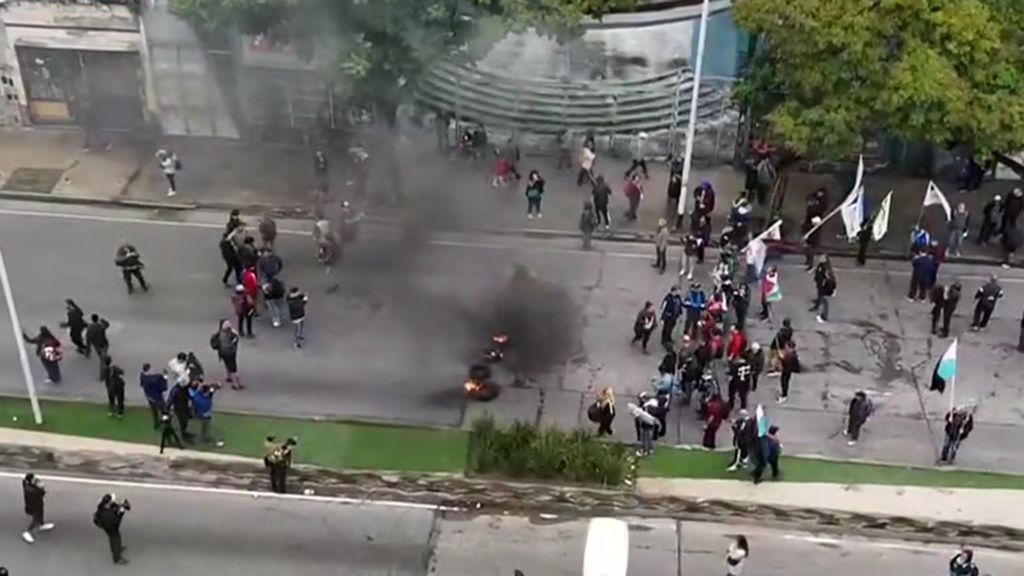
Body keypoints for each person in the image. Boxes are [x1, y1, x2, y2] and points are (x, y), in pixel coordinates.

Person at [93, 493, 130, 564]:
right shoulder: (108, 515)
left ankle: (117, 549)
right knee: (115, 539)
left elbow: (113, 506)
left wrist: (120, 506)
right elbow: (116, 521)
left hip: (104, 524)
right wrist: (121, 513)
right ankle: (117, 558)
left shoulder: (101, 506)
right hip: (110, 527)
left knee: (112, 537)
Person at [21, 473, 53, 544]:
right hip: (34, 505)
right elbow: (41, 493)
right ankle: (28, 531)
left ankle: (41, 524)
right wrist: (41, 486)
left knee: (41, 513)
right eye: (34, 479)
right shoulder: (31, 490)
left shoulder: (26, 483)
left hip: (37, 503)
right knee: (36, 518)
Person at [211, 320, 242, 389]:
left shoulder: (220, 334)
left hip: (223, 352)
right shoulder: (230, 334)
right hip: (230, 352)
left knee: (227, 364)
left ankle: (228, 377)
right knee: (233, 369)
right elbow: (236, 339)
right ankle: (236, 384)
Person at [189, 382, 222, 446]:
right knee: (209, 427)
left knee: (204, 427)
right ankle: (213, 442)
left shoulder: (196, 395)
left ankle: (204, 436)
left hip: (200, 413)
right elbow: (210, 392)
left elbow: (209, 390)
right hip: (204, 414)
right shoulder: (205, 399)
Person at [139, 363, 168, 429]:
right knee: (164, 411)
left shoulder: (142, 376)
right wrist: (165, 377)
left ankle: (156, 424)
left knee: (154, 411)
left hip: (149, 397)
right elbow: (163, 388)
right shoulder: (156, 379)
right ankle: (165, 422)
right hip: (157, 398)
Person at [809, 255, 836, 323]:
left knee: (825, 303)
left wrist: (831, 290)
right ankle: (819, 305)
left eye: (822, 258)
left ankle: (824, 317)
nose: (820, 259)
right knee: (823, 300)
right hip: (821, 285)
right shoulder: (821, 265)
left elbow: (831, 280)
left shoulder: (827, 269)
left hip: (825, 288)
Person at [167, 379, 194, 444]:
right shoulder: (176, 391)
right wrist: (168, 408)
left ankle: (184, 433)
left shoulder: (184, 388)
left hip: (185, 407)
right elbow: (170, 399)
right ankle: (182, 436)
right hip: (179, 409)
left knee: (185, 421)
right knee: (182, 422)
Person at [660, 285, 685, 350]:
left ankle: (669, 337)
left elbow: (680, 306)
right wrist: (662, 318)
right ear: (673, 291)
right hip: (668, 316)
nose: (679, 292)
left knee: (671, 327)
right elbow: (663, 308)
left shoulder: (678, 297)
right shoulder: (668, 298)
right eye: (678, 290)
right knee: (666, 328)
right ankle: (664, 340)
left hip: (674, 316)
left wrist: (680, 314)